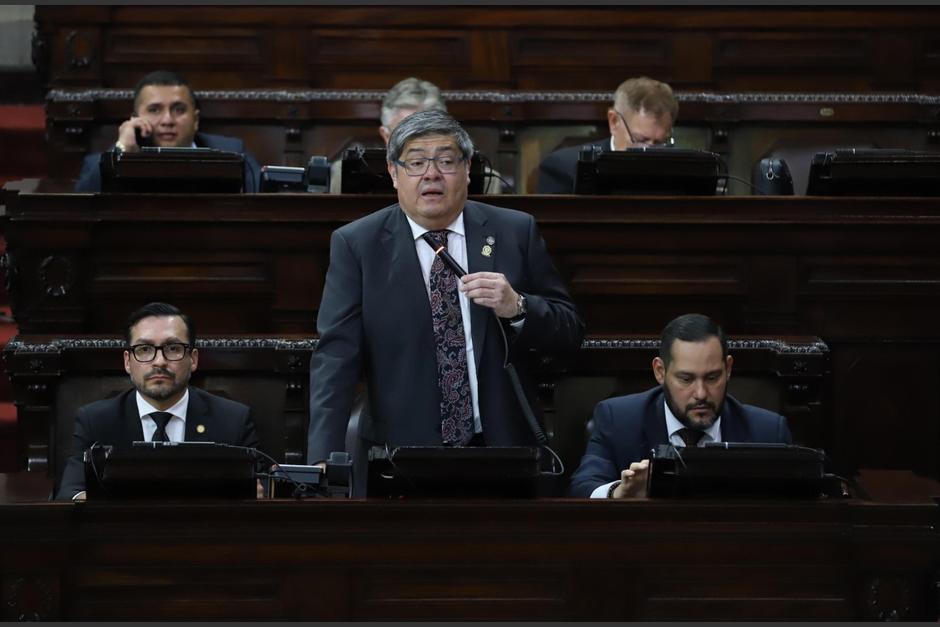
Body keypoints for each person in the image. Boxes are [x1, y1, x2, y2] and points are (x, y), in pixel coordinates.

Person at [308, 109, 584, 465]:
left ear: (468, 170)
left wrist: (518, 307)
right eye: (416, 163)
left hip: (503, 451)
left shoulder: (513, 232)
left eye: (446, 161)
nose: (431, 174)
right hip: (400, 456)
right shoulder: (358, 244)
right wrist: (321, 459)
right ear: (394, 173)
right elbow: (336, 359)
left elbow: (569, 332)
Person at [568, 313, 792, 499]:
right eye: (686, 379)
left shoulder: (768, 431)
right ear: (660, 372)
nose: (701, 393)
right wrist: (617, 493)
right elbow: (581, 488)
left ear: (729, 368)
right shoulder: (618, 419)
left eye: (712, 377)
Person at [55, 302, 260, 500]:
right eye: (144, 349)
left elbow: (261, 491)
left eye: (172, 348)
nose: (159, 361)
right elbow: (70, 494)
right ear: (127, 361)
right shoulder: (96, 421)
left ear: (193, 359)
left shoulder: (233, 420)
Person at [74, 70, 261, 193]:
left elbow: (261, 201)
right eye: (154, 110)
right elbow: (81, 208)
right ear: (135, 119)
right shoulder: (102, 163)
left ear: (195, 120)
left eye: (179, 109)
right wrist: (123, 149)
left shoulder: (233, 153)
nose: (168, 121)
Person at [331, 77, 505, 194]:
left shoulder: (485, 178)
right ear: (385, 136)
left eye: (428, 132)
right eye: (405, 133)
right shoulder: (346, 172)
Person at [536, 76, 677, 194]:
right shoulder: (563, 169)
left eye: (660, 142)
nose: (650, 152)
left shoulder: (684, 171)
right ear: (614, 122)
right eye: (641, 140)